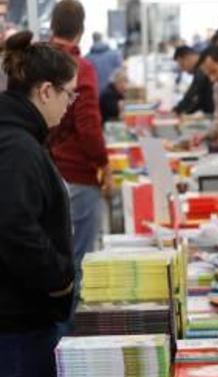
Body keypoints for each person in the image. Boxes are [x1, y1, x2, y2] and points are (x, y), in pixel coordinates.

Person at [0, 30, 78, 377]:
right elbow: (13, 227)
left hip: (19, 312)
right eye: (68, 95)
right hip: (18, 316)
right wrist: (59, 280)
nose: (69, 107)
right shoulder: (17, 147)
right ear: (45, 91)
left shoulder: (18, 138)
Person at [47, 0, 110, 323]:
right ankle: (71, 334)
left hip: (43, 171)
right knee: (80, 261)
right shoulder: (79, 68)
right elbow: (88, 124)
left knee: (52, 259)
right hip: (78, 172)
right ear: (81, 30)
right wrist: (103, 163)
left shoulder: (35, 61)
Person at [172, 45, 214, 115]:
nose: (183, 69)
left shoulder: (202, 67)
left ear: (188, 57)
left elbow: (193, 92)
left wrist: (177, 110)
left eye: (182, 64)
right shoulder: (200, 67)